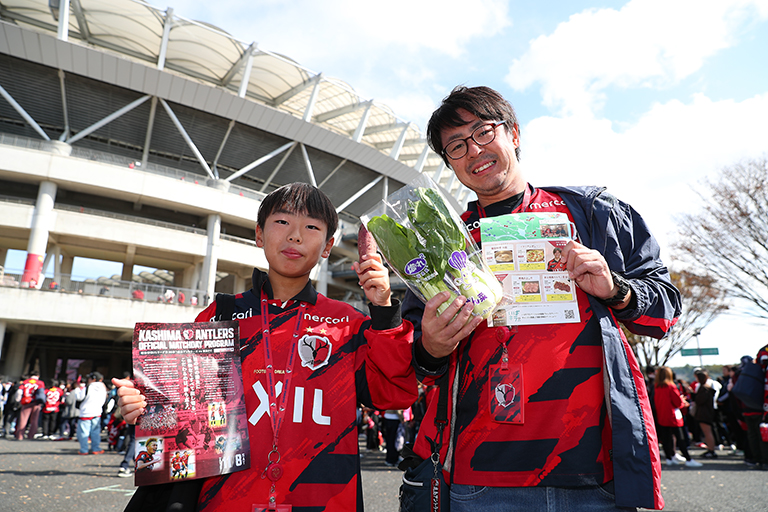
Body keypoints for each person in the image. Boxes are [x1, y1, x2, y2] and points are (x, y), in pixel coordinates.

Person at [404, 86, 681, 511]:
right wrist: (430, 348)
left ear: (513, 133)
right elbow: (409, 367)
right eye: (456, 146)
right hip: (479, 477)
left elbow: (664, 312)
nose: (473, 150)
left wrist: (617, 289)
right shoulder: (442, 245)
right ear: (449, 164)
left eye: (483, 132)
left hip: (593, 472)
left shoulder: (592, 213)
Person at [114, 182, 418, 510]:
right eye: (282, 222)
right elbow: (182, 412)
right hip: (226, 500)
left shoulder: (348, 323)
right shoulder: (220, 316)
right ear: (259, 235)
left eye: (311, 227)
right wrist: (144, 406)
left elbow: (394, 394)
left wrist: (385, 312)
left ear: (328, 246)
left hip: (323, 500)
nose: (295, 236)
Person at [653, 367, 701, 467]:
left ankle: (669, 457)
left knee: (666, 438)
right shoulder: (671, 386)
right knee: (681, 438)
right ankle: (688, 459)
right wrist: (682, 402)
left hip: (662, 416)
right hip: (673, 416)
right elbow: (678, 403)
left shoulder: (656, 386)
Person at [77, 371, 108, 455]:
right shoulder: (103, 387)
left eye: (89, 378)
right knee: (95, 432)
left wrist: (78, 389)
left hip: (86, 412)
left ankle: (84, 450)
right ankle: (96, 448)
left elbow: (80, 397)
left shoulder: (88, 387)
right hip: (97, 411)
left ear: (93, 379)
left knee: (84, 432)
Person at [692, 370, 717, 458]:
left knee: (707, 432)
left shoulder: (704, 389)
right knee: (708, 432)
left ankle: (711, 450)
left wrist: (692, 394)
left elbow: (699, 401)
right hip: (707, 412)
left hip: (704, 413)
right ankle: (711, 449)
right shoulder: (707, 388)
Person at [14, 372, 45, 440]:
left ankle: (20, 436)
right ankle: (31, 435)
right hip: (36, 402)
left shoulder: (25, 382)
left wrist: (18, 400)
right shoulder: (40, 383)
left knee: (23, 419)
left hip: (26, 401)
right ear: (38, 375)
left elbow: (19, 391)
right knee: (34, 420)